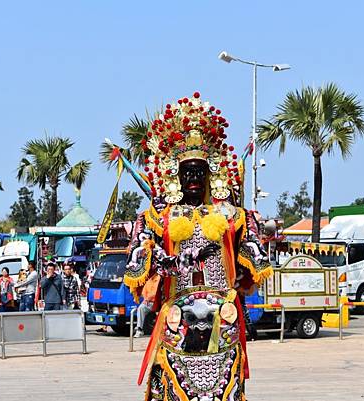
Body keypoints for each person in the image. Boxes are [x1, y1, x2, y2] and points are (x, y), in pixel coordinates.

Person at [124, 93, 273, 400]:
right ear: (175, 176)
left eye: (199, 170)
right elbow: (140, 265)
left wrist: (244, 263)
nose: (193, 176)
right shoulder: (157, 217)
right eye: (186, 170)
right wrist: (177, 260)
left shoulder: (234, 217)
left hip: (223, 315)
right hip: (177, 317)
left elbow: (254, 264)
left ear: (210, 174)